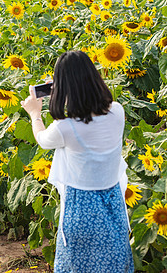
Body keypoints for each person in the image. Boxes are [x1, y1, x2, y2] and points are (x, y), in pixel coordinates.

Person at [21, 50, 134, 272]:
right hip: (112, 202)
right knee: (113, 262)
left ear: (63, 88)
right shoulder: (117, 112)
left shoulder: (65, 128)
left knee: (78, 265)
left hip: (81, 207)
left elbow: (43, 139)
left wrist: (35, 113)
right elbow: (90, 114)